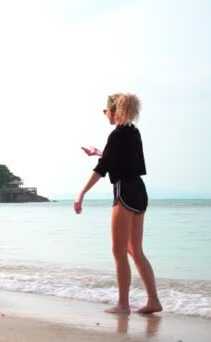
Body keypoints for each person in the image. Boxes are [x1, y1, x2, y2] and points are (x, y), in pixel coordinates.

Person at [74, 93, 162, 314]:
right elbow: (122, 161)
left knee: (119, 251)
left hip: (124, 191)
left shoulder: (116, 135)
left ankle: (123, 305)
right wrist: (98, 153)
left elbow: (102, 169)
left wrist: (80, 195)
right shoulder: (133, 132)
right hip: (140, 192)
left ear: (115, 112)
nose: (106, 116)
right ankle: (153, 301)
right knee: (135, 250)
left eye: (106, 112)